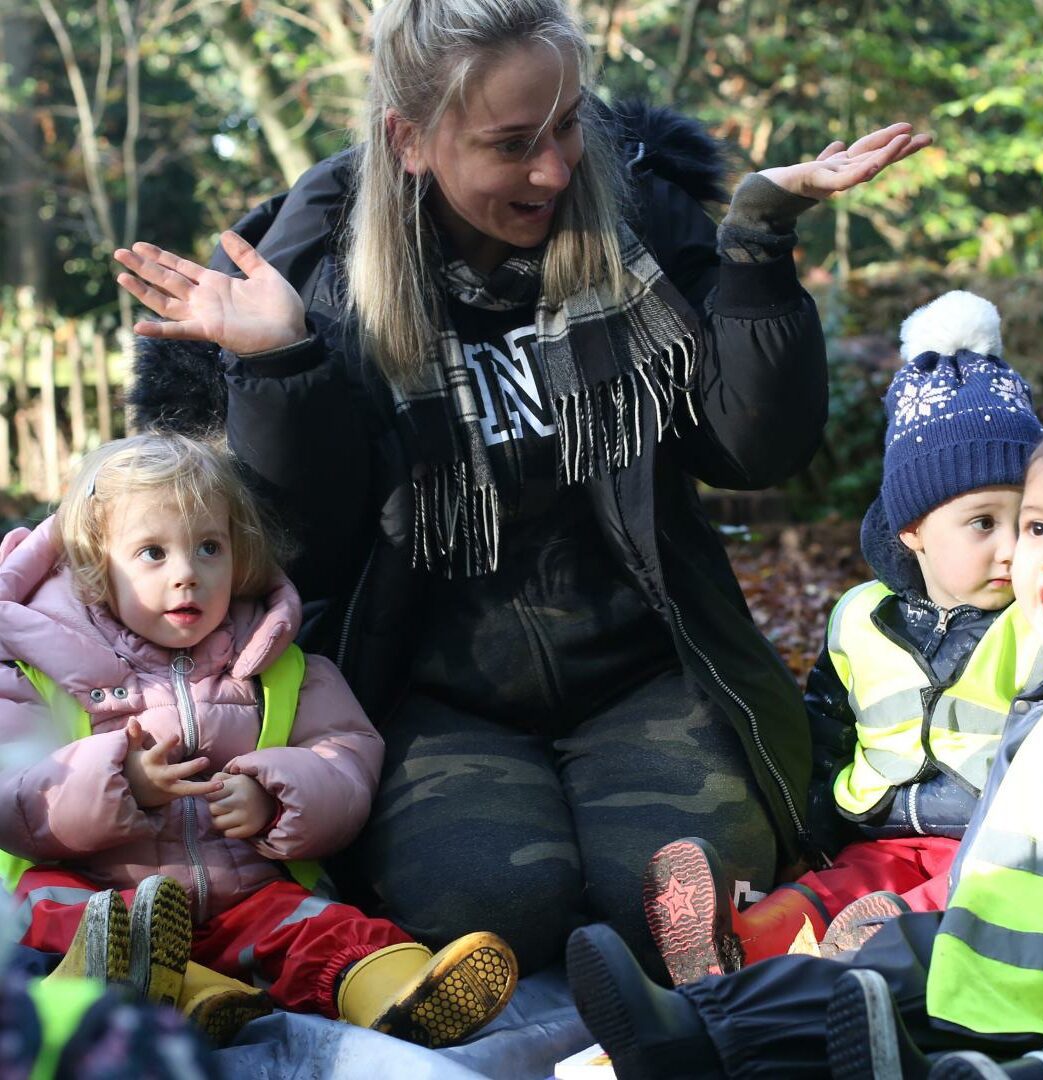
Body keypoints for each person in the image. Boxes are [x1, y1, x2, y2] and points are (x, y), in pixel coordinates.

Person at [112, 0, 932, 973]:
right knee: (491, 912)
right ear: (409, 141)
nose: (554, 169)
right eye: (511, 145)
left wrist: (754, 244)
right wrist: (282, 366)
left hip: (647, 670)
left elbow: (750, 451)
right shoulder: (318, 272)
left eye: (568, 124)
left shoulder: (633, 213)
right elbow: (310, 546)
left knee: (667, 900)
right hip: (428, 695)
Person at [565, 397, 1043, 1080]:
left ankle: (756, 1038)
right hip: (995, 939)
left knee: (896, 977)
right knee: (870, 967)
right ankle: (693, 1024)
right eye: (1037, 527)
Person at [0, 433, 518, 1048]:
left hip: (247, 896)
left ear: (240, 557)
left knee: (323, 926)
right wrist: (120, 784)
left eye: (208, 547)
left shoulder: (277, 665)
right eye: (152, 553)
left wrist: (277, 796)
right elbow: (17, 798)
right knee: (43, 907)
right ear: (94, 566)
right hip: (108, 897)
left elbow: (347, 759)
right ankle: (181, 991)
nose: (187, 574)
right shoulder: (35, 671)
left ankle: (395, 989)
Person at [641, 290, 1043, 985]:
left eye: (1033, 522)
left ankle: (870, 953)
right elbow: (826, 733)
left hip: (993, 844)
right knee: (831, 891)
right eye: (984, 524)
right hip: (881, 829)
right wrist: (809, 836)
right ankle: (735, 940)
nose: (1013, 549)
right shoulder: (860, 617)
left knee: (940, 900)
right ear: (912, 530)